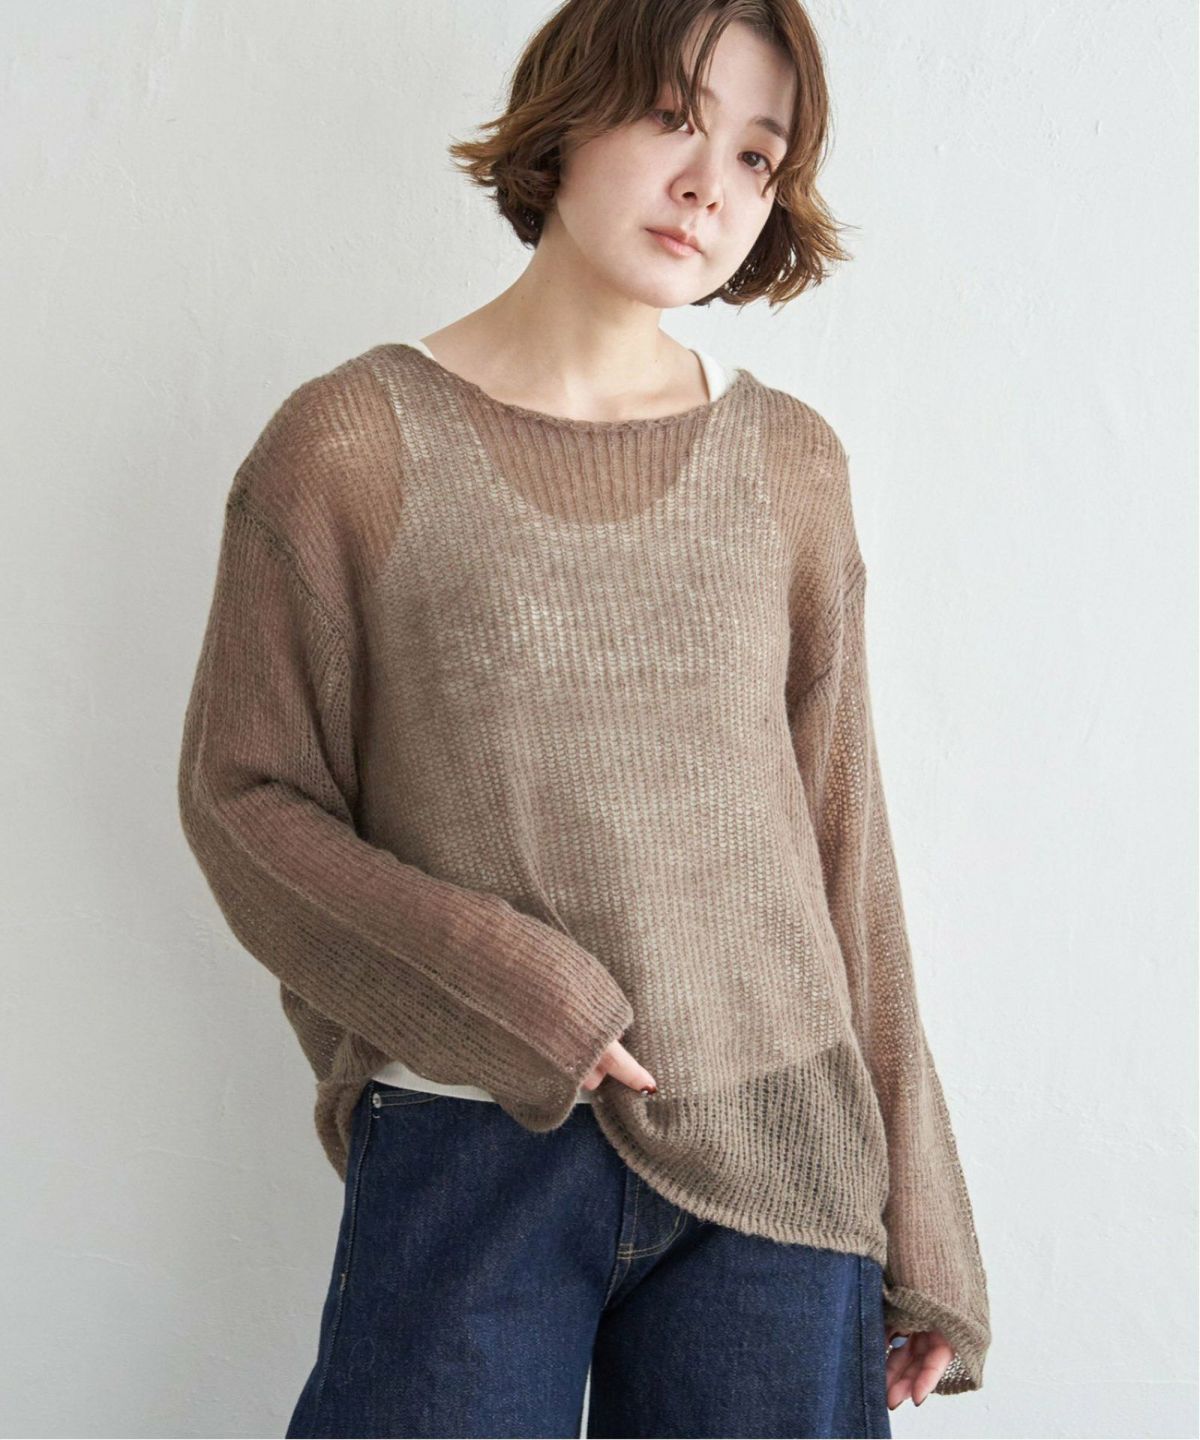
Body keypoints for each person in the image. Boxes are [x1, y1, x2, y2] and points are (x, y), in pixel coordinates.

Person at [176, 1, 991, 1435]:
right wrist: (507, 988)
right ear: (565, 117)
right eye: (674, 118)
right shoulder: (349, 446)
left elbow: (844, 848)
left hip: (781, 1158)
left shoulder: (790, 467)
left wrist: (924, 1221)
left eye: (757, 156)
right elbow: (243, 801)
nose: (710, 187)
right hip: (476, 1131)